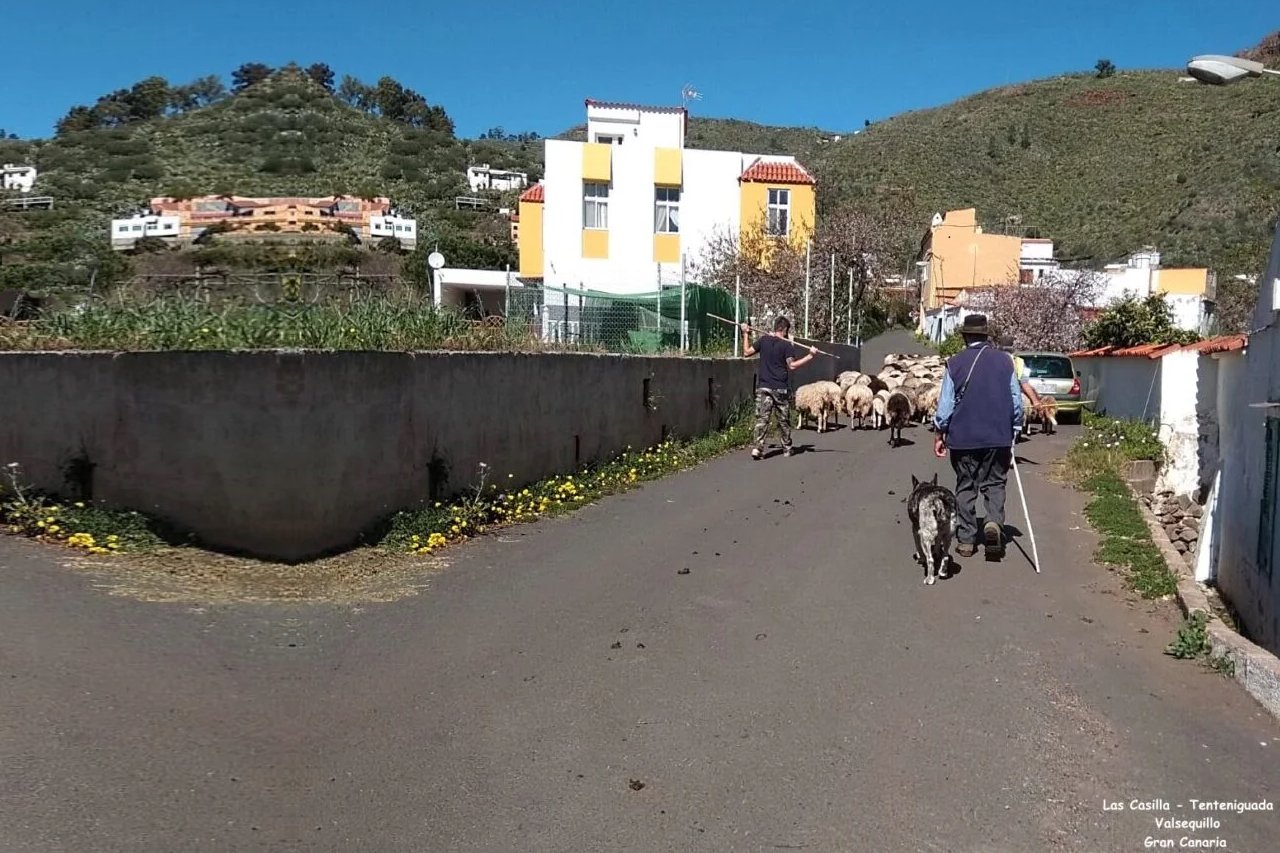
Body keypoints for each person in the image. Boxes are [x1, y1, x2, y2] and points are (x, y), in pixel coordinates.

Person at [932, 314, 1023, 559]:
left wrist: (940, 432)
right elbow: (1016, 401)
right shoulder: (1006, 362)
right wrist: (1015, 429)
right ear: (986, 336)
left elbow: (945, 406)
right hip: (997, 436)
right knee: (995, 482)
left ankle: (966, 539)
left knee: (966, 485)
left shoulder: (954, 363)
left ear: (964, 336)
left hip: (963, 437)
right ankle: (993, 522)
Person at [741, 317, 818, 460]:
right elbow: (792, 365)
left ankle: (757, 448)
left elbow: (746, 352)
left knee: (762, 419)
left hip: (764, 387)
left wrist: (746, 333)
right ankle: (787, 449)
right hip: (780, 389)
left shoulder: (763, 340)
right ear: (784, 330)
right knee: (783, 420)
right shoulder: (787, 345)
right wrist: (810, 356)